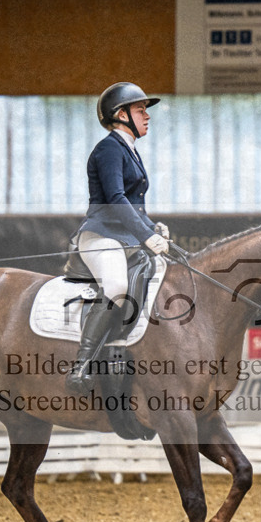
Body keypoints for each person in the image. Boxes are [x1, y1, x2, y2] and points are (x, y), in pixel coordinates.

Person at [65, 82, 170, 394]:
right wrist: (145, 235)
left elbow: (134, 205)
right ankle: (82, 365)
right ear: (121, 115)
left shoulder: (129, 149)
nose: (147, 116)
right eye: (140, 110)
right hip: (100, 236)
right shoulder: (109, 149)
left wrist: (152, 228)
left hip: (124, 239)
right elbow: (115, 199)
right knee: (116, 286)